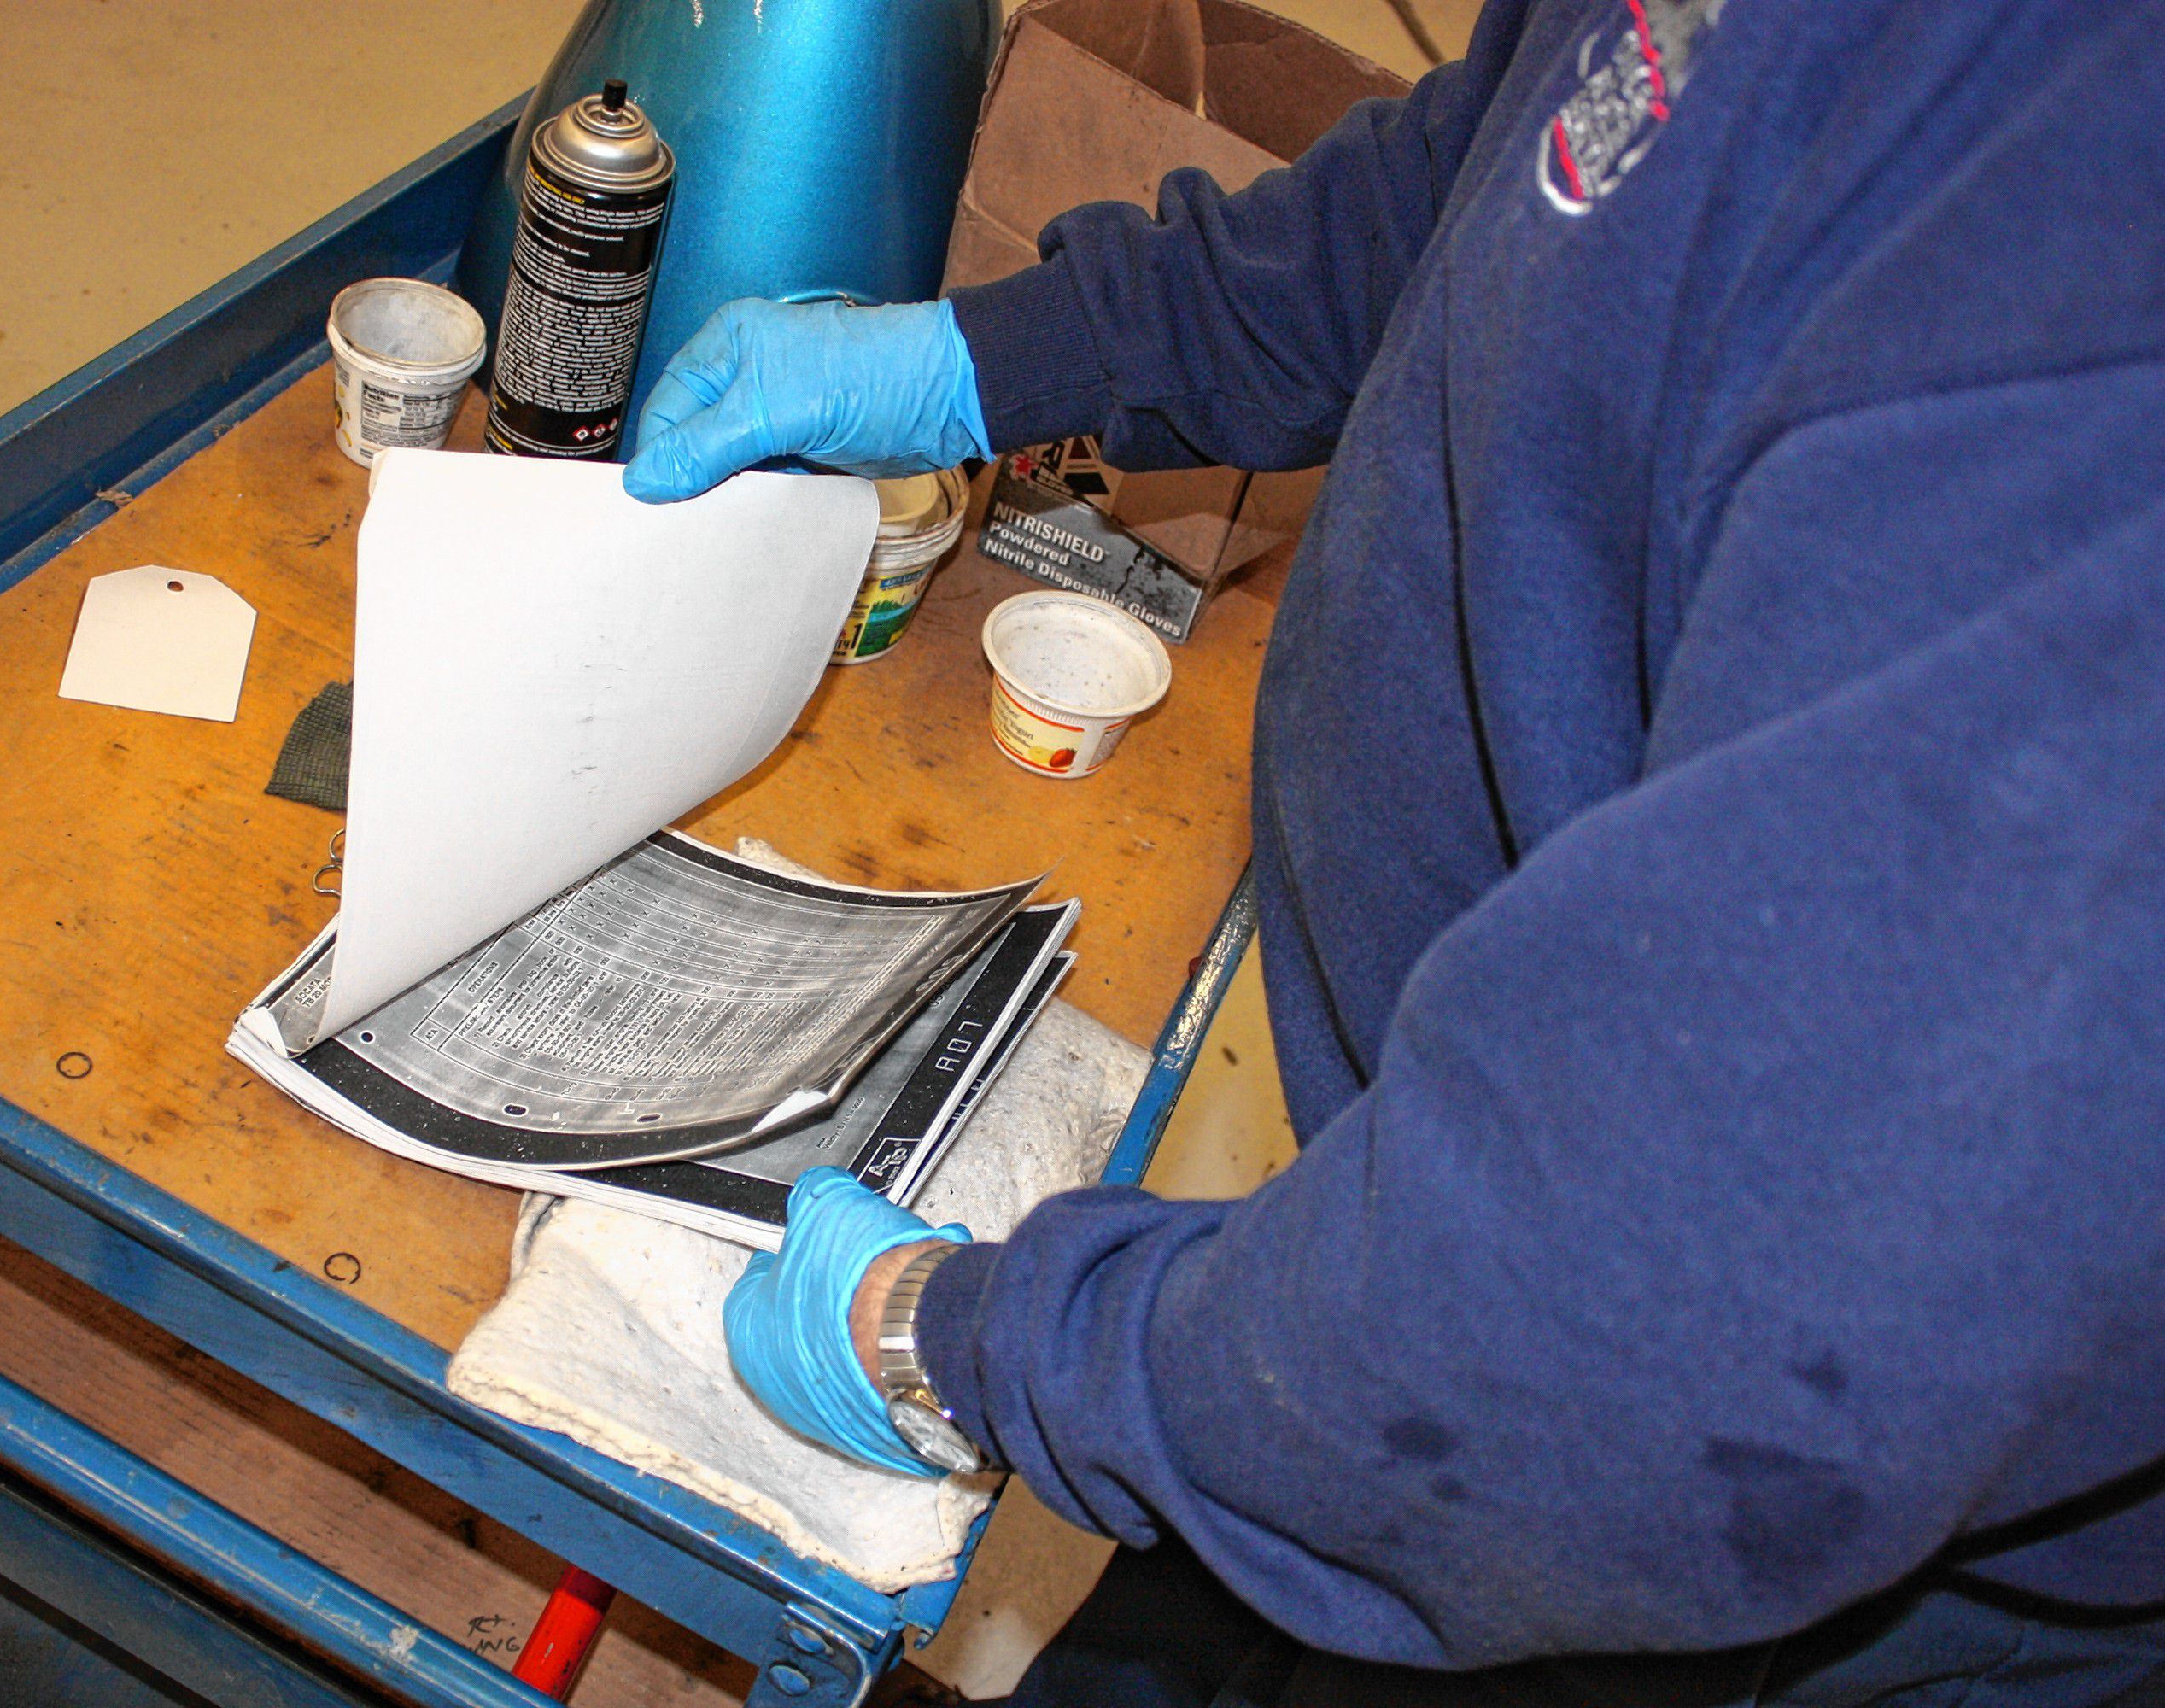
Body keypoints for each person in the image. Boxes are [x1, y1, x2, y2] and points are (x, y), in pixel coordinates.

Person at [623, 0, 2165, 1702]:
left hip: (1723, 1510)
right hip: (1440, 1259)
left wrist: (949, 1341)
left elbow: (1644, 1349)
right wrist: (1002, 357)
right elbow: (1528, 172)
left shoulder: (2102, 273)